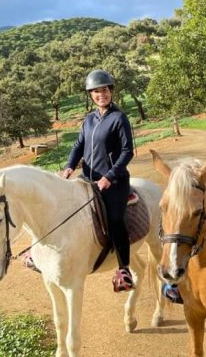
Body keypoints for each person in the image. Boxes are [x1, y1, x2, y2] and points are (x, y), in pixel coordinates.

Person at [62, 69, 135, 293]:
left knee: (115, 219)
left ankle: (124, 269)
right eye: (95, 91)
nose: (100, 95)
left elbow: (127, 151)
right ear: (91, 95)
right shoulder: (89, 120)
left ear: (111, 91)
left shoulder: (118, 118)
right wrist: (69, 166)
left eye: (104, 90)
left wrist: (109, 176)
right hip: (87, 177)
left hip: (114, 181)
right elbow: (78, 146)